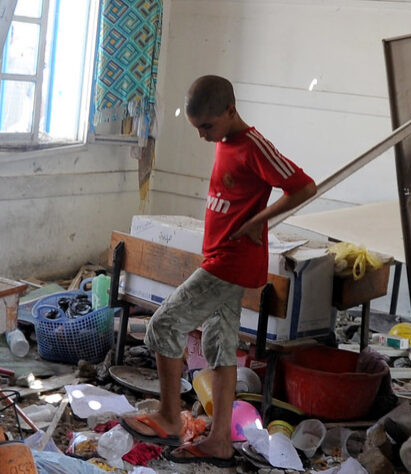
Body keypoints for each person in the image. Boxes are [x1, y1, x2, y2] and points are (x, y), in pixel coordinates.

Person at [125, 75, 317, 465]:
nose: (202, 136)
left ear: (231, 110)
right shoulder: (225, 140)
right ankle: (219, 441)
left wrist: (258, 221)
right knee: (219, 346)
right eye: (197, 129)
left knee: (164, 325)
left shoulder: (254, 145)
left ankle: (168, 417)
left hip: (230, 263)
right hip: (219, 258)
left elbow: (303, 186)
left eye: (207, 127)